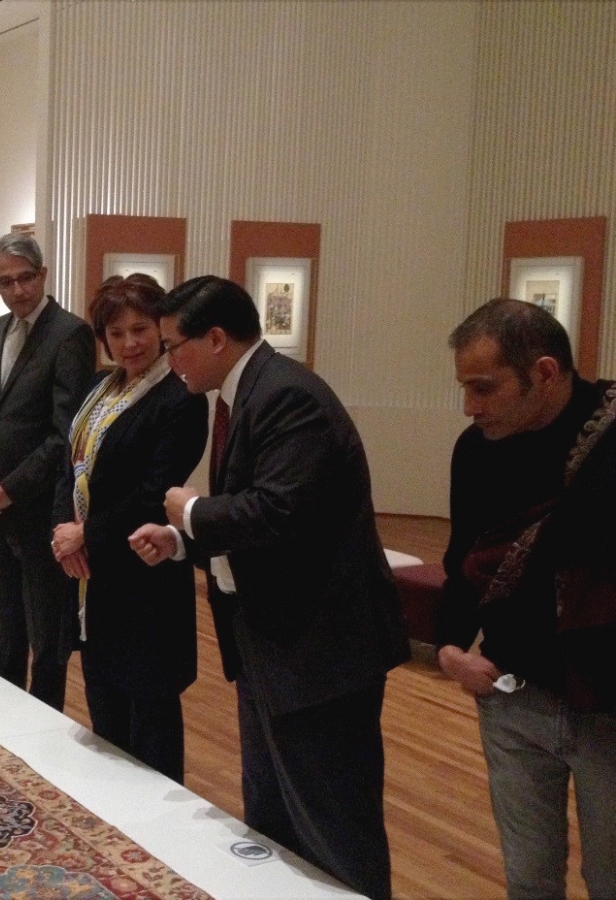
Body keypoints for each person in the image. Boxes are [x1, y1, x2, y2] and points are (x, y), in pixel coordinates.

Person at [129, 275, 409, 900]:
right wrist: (182, 542)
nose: (170, 362)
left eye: (175, 346)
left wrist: (190, 512)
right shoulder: (250, 392)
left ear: (218, 338)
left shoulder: (286, 395)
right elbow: (268, 525)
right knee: (275, 823)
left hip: (320, 654)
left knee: (334, 830)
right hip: (273, 645)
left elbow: (275, 512)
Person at [436, 297, 616, 900]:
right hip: (513, 697)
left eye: (484, 388)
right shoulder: (476, 448)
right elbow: (463, 556)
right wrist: (449, 647)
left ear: (544, 372)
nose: (470, 406)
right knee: (529, 880)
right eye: (464, 387)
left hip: (607, 704)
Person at [50, 274, 207, 781]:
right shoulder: (102, 387)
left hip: (144, 573)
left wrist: (86, 535)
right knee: (105, 711)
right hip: (94, 577)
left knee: (152, 721)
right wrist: (61, 530)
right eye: (116, 333)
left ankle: (161, 842)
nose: (130, 343)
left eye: (140, 329)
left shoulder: (181, 399)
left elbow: (154, 493)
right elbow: (69, 464)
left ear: (162, 329)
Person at [0, 233, 94, 711]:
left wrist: (12, 490)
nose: (17, 290)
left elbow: (65, 435)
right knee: (3, 629)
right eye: (6, 282)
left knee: (48, 639)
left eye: (25, 278)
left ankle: (44, 740)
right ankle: (3, 729)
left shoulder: (70, 334)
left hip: (43, 513)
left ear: (43, 275)